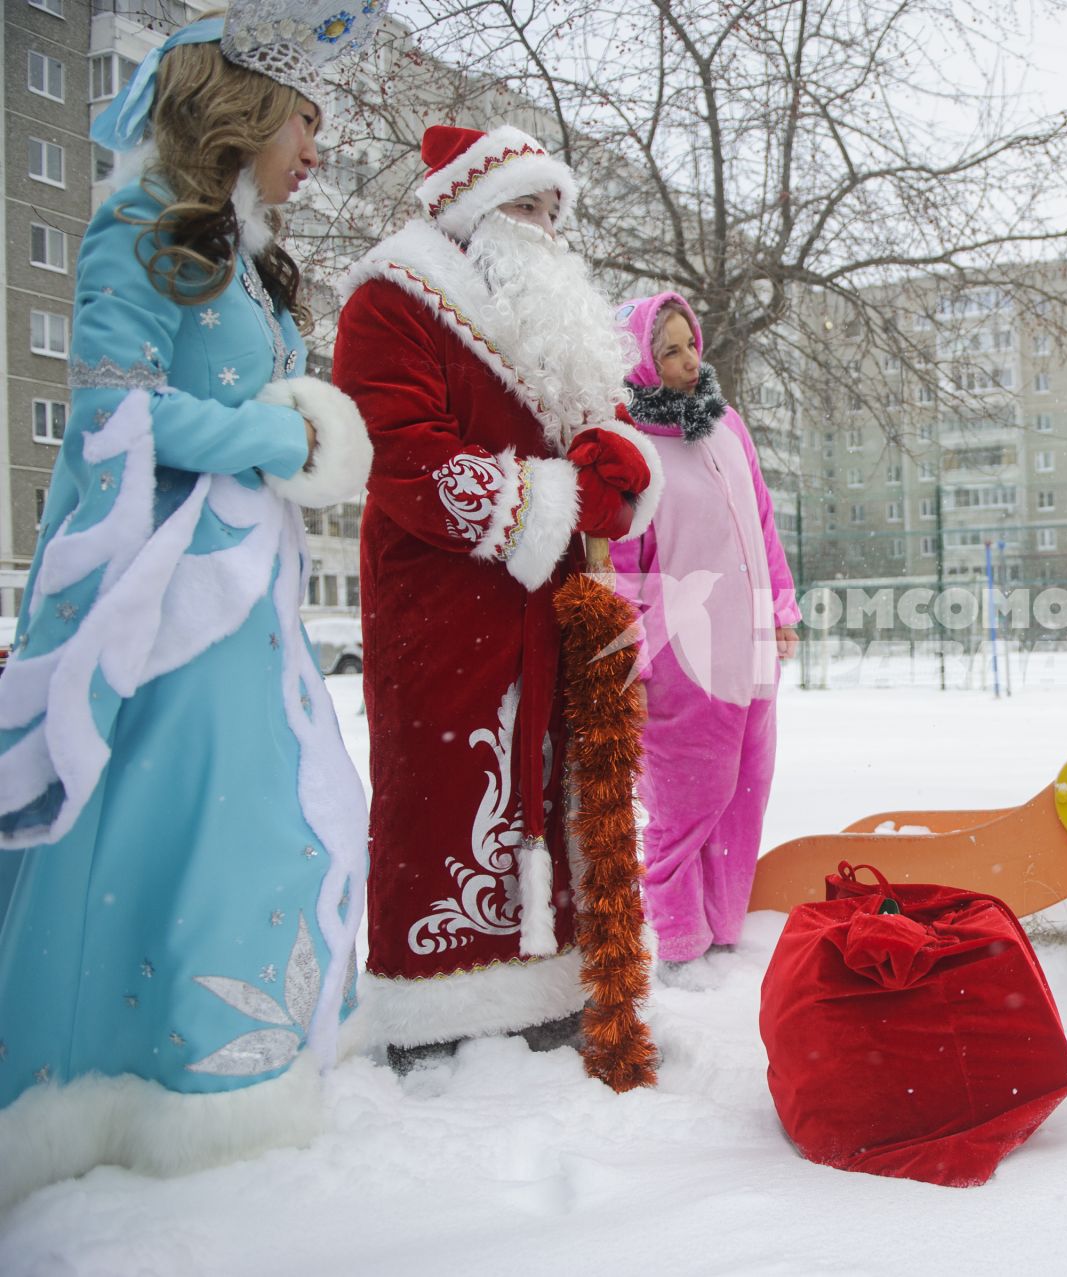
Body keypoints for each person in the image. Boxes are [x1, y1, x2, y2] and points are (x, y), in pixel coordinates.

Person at [0, 4, 379, 1207]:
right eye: (307, 121)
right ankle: (145, 1083)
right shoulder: (139, 233)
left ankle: (217, 1084)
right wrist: (281, 431)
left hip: (244, 591)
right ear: (249, 113)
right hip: (166, 607)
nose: (318, 146)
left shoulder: (245, 252)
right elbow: (116, 412)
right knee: (225, 826)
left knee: (258, 819)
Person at [333, 125, 661, 1072]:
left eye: (553, 210)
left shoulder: (547, 318)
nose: (545, 227)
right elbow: (399, 449)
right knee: (447, 789)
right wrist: (557, 499)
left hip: (552, 608)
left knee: (555, 785)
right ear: (475, 213)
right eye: (527, 206)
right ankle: (439, 1009)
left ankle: (556, 983)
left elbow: (613, 436)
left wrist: (623, 474)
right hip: (444, 605)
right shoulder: (393, 298)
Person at [609, 294, 798, 965]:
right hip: (682, 654)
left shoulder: (727, 425)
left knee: (745, 795)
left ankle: (724, 932)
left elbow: (764, 520)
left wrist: (780, 607)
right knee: (687, 807)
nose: (691, 362)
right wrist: (640, 650)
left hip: (749, 647)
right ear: (640, 361)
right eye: (670, 351)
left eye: (692, 344)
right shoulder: (628, 444)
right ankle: (681, 947)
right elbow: (622, 563)